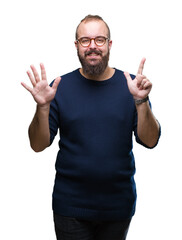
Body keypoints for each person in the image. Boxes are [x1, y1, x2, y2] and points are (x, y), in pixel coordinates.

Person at [21, 15, 161, 240]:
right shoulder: (59, 88)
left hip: (118, 207)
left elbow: (150, 140)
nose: (93, 46)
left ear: (109, 44)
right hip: (70, 208)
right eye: (85, 40)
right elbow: (37, 145)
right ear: (76, 46)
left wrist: (141, 102)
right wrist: (43, 106)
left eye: (99, 39)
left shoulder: (132, 86)